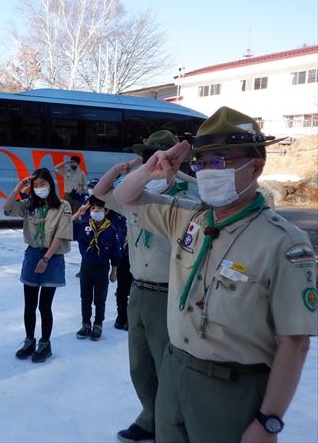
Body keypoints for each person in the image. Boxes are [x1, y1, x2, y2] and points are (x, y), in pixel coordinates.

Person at [113, 106, 317, 442]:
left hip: (232, 390)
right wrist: (151, 170)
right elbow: (124, 196)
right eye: (202, 162)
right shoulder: (188, 218)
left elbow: (294, 343)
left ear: (256, 167)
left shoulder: (283, 243)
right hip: (174, 374)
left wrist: (269, 421)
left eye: (220, 160)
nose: (208, 171)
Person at [94, 130, 199, 443]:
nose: (152, 161)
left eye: (159, 155)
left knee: (168, 365)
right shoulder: (134, 195)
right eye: (147, 156)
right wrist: (122, 170)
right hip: (139, 289)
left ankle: (172, 423)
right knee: (140, 364)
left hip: (172, 292)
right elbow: (100, 193)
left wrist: (180, 175)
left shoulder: (188, 197)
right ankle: (149, 416)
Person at [4, 168, 73, 362]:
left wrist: (46, 259)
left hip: (52, 257)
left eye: (43, 184)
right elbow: (8, 209)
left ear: (50, 184)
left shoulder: (63, 206)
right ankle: (29, 341)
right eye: (36, 185)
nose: (39, 188)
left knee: (45, 305)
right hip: (33, 254)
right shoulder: (28, 205)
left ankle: (45, 343)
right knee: (29, 304)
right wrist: (19, 187)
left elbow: (61, 234)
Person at [72, 195, 121, 341]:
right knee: (85, 297)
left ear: (106, 211)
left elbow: (115, 252)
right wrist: (79, 213)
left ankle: (98, 324)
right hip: (86, 266)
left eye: (99, 208)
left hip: (102, 268)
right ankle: (86, 323)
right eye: (93, 208)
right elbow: (66, 225)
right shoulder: (83, 226)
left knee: (100, 298)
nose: (96, 211)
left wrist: (114, 271)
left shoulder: (111, 229)